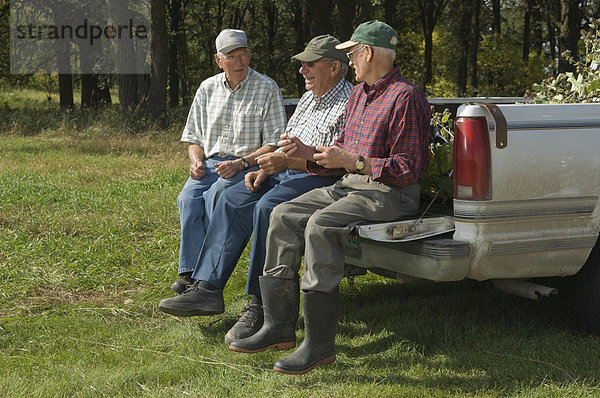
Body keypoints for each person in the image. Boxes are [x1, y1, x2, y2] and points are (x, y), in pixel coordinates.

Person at [228, 21, 431, 375]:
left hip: (391, 193)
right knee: (283, 214)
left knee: (320, 225)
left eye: (352, 53)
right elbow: (340, 156)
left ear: (368, 52)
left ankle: (320, 346)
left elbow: (408, 169)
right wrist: (310, 152)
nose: (350, 60)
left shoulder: (405, 96)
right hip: (351, 184)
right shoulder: (359, 94)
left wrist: (353, 161)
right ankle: (279, 326)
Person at [158, 35, 354, 344]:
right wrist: (264, 169)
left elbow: (336, 163)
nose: (302, 71)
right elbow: (286, 142)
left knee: (268, 209)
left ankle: (259, 305)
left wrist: (284, 162)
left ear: (333, 67)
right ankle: (207, 289)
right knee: (231, 198)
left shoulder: (348, 102)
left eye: (309, 64)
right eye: (302, 64)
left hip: (317, 178)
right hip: (285, 171)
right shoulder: (310, 97)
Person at [175, 29, 287, 287]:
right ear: (218, 60)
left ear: (249, 54)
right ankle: (191, 272)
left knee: (216, 195)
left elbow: (274, 143)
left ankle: (206, 278)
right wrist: (195, 162)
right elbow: (194, 139)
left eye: (244, 54)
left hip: (247, 165)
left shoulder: (266, 88)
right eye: (232, 56)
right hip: (211, 163)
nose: (239, 62)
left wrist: (241, 163)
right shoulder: (207, 88)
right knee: (188, 198)